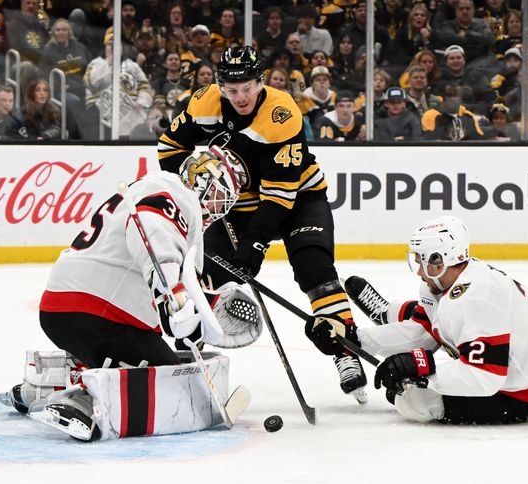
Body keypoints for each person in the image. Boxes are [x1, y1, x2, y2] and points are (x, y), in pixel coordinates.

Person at [157, 46, 369, 403]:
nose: (240, 96)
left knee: (314, 268)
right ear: (220, 85)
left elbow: (280, 197)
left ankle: (345, 353)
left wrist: (253, 246)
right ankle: (187, 360)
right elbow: (168, 150)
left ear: (260, 82)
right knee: (205, 277)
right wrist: (194, 178)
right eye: (231, 88)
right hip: (238, 207)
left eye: (248, 87)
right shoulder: (203, 103)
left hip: (299, 199)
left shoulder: (282, 113)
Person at [20, 147, 260, 439]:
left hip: (75, 308)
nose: (222, 205)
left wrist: (204, 304)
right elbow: (150, 226)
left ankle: (50, 380)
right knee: (171, 382)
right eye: (222, 194)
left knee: (169, 364)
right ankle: (84, 400)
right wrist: (171, 296)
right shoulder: (177, 194)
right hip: (96, 313)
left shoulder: (154, 189)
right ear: (206, 182)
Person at [340, 216, 528, 424]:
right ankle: (388, 313)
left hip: (526, 392)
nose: (419, 271)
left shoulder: (478, 300)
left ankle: (389, 314)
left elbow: (486, 375)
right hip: (511, 369)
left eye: (422, 261)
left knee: (414, 401)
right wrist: (356, 339)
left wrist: (423, 367)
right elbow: (420, 333)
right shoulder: (447, 284)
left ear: (439, 261)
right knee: (427, 317)